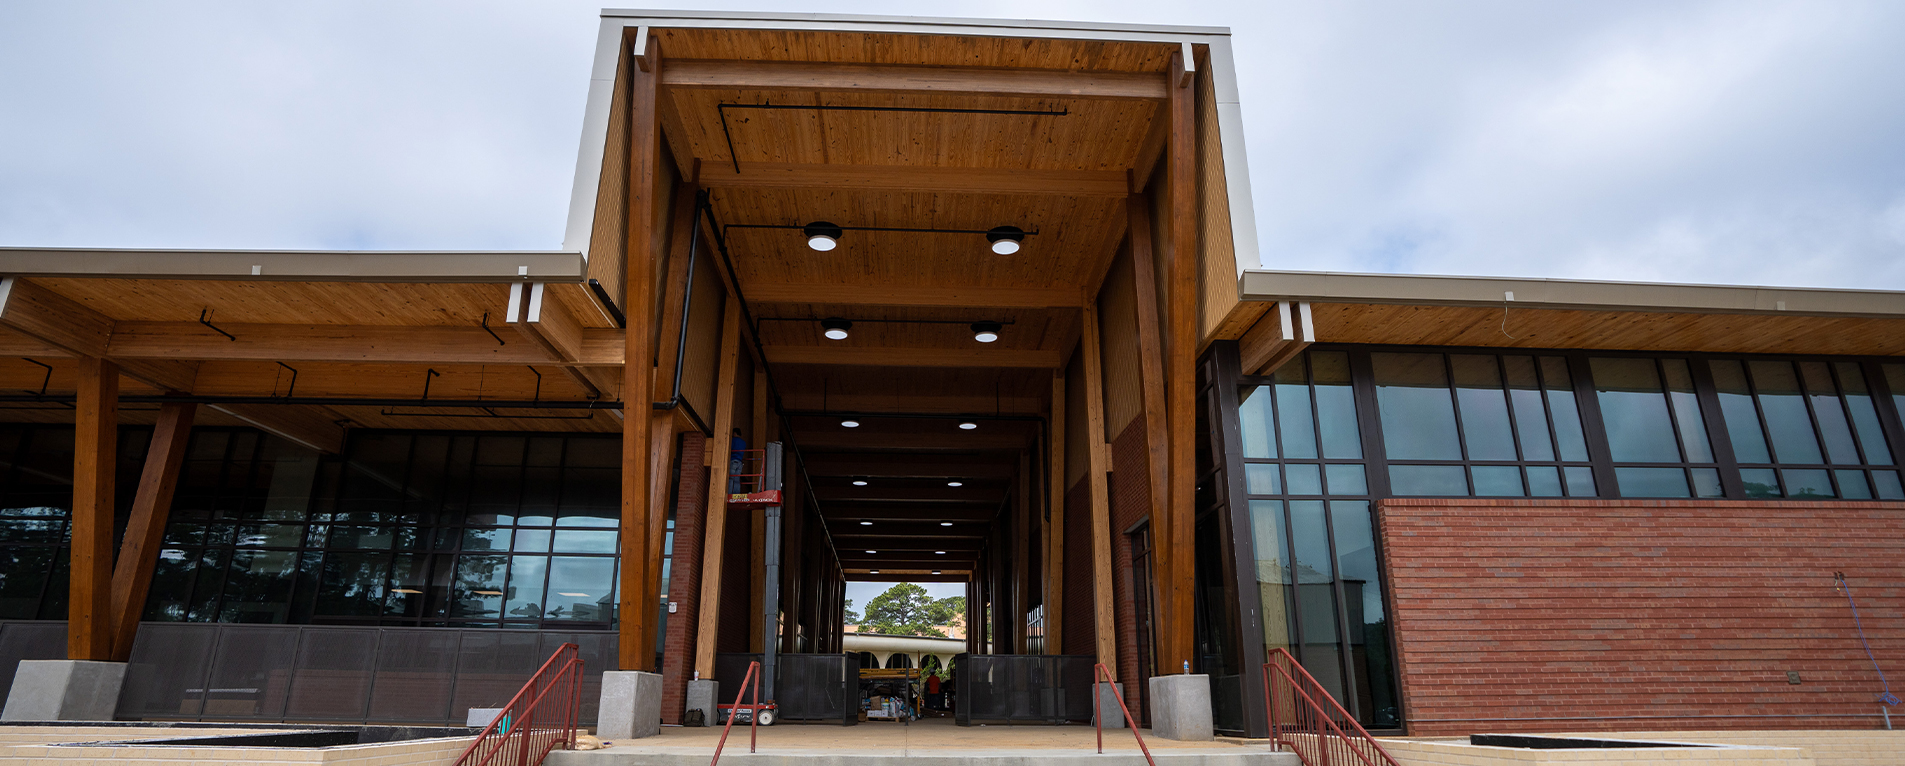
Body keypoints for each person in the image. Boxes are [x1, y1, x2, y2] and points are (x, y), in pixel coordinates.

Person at [727, 429, 747, 493]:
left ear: (735, 433)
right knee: (737, 479)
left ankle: (729, 493)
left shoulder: (733, 440)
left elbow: (730, 448)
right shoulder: (743, 443)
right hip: (740, 462)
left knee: (731, 478)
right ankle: (736, 494)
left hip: (733, 460)